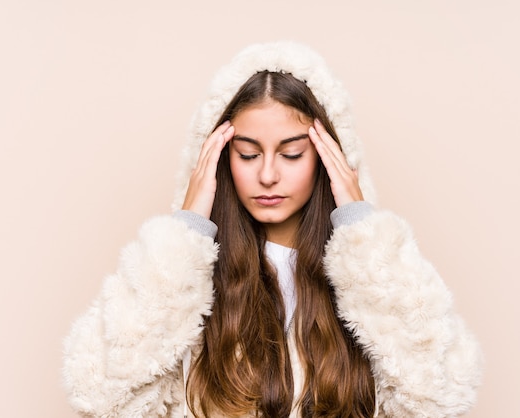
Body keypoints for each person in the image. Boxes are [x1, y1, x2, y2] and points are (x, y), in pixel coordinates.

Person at [62, 41, 483, 418]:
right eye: (247, 155)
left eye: (292, 153)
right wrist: (184, 234)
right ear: (220, 158)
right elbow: (100, 398)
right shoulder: (185, 286)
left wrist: (362, 230)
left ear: (325, 156)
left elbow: (440, 397)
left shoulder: (367, 286)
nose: (267, 175)